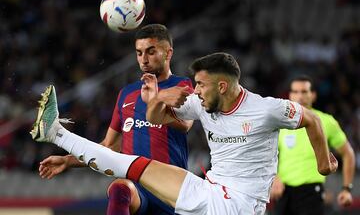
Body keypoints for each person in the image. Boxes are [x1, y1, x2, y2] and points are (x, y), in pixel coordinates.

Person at [30, 52, 338, 215]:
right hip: (210, 190)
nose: (196, 90)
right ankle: (55, 132)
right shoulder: (202, 104)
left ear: (222, 86)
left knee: (132, 166)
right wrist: (158, 99)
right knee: (133, 165)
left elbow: (312, 119)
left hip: (237, 206)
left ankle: (56, 133)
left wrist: (323, 162)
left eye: (201, 84)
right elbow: (155, 118)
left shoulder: (266, 109)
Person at [37, 24, 193, 215]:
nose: (143, 59)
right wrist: (68, 161)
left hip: (170, 189)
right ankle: (57, 134)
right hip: (138, 189)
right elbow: (109, 146)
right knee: (119, 188)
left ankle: (57, 134)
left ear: (168, 53)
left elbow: (185, 125)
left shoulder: (182, 85)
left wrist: (156, 101)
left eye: (151, 52)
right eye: (139, 53)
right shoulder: (127, 94)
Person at [270, 75, 355, 215]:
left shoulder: (326, 122)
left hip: (311, 193)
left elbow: (348, 153)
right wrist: (274, 178)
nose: (300, 96)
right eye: (295, 92)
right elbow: (268, 155)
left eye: (304, 92)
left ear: (313, 95)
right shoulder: (281, 124)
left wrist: (347, 189)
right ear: (290, 95)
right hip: (283, 192)